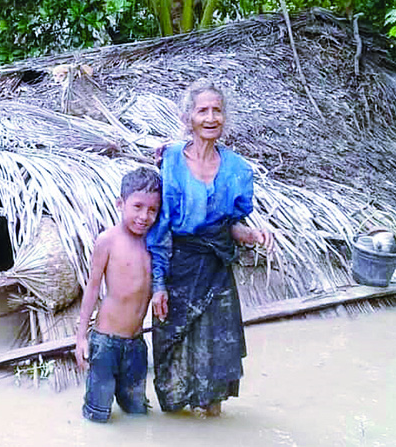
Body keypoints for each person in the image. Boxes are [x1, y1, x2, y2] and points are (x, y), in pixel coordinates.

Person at [146, 80, 273, 416]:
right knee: (172, 352)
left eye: (217, 110)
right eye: (203, 110)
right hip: (179, 268)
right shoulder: (170, 160)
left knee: (218, 351)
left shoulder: (236, 169)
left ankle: (213, 423)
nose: (211, 117)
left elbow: (229, 227)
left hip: (217, 270)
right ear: (189, 117)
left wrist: (254, 235)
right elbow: (160, 230)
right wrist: (158, 284)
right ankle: (177, 422)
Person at [75, 166, 162, 423]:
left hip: (136, 344)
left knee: (137, 413)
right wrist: (81, 337)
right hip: (105, 343)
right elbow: (92, 289)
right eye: (137, 206)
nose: (144, 216)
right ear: (120, 204)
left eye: (152, 210)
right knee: (97, 415)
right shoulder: (108, 240)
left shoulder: (156, 243)